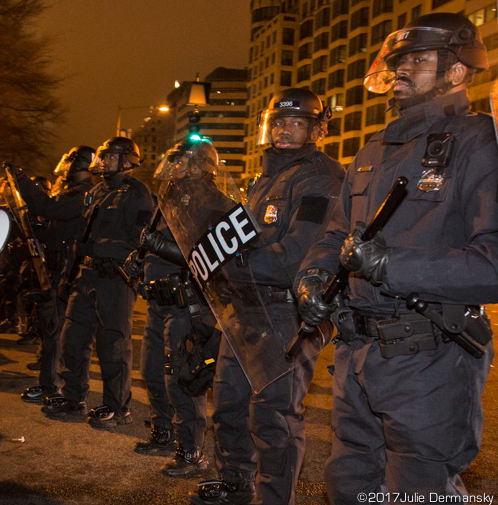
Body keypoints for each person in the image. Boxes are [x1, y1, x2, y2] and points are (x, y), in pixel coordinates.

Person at [297, 13, 498, 501]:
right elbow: (337, 235)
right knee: (349, 483)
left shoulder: (480, 143)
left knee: (418, 489)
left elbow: (491, 263)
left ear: (456, 71)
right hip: (356, 355)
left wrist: (393, 266)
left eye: (418, 60)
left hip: (430, 358)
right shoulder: (373, 150)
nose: (402, 70)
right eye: (399, 61)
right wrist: (313, 278)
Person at [186, 89, 344, 505]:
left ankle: (275, 499)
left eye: (295, 123)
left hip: (286, 312)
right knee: (229, 404)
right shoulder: (266, 177)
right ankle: (236, 481)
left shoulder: (322, 177)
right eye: (277, 122)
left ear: (316, 128)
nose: (283, 130)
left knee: (274, 417)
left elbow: (296, 255)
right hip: (245, 308)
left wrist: (228, 265)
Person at [41, 137, 154, 429]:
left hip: (115, 279)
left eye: (110, 157)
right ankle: (73, 398)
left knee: (113, 344)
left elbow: (141, 242)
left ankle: (117, 408)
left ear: (127, 160)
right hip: (86, 275)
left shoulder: (139, 194)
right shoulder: (98, 190)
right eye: (102, 157)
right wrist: (70, 274)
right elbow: (82, 236)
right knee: (72, 339)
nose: (103, 162)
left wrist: (118, 258)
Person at [124, 139, 221, 478]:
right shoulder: (169, 200)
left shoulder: (212, 203)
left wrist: (162, 248)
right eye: (173, 161)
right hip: (156, 303)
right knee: (151, 372)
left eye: (181, 162)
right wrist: (140, 260)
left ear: (198, 165)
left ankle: (191, 452)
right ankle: (164, 431)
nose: (174, 168)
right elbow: (150, 240)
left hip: (186, 306)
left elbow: (210, 257)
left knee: (182, 380)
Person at [17, 146, 97, 403]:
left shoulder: (83, 194)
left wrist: (21, 181)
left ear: (80, 165)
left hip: (69, 274)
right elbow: (54, 235)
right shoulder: (74, 193)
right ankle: (50, 383)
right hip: (57, 270)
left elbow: (48, 207)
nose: (65, 168)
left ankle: (54, 386)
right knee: (51, 330)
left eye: (70, 162)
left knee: (60, 334)